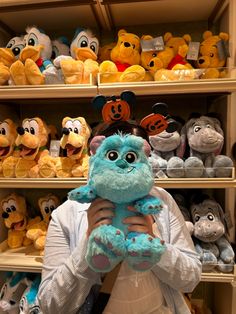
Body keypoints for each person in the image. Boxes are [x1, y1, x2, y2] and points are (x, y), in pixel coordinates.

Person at [37, 120, 202, 314]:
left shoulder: (162, 202)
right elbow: (51, 305)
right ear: (96, 156)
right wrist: (88, 244)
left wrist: (155, 245)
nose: (124, 166)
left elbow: (191, 279)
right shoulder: (66, 215)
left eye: (134, 156)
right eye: (114, 155)